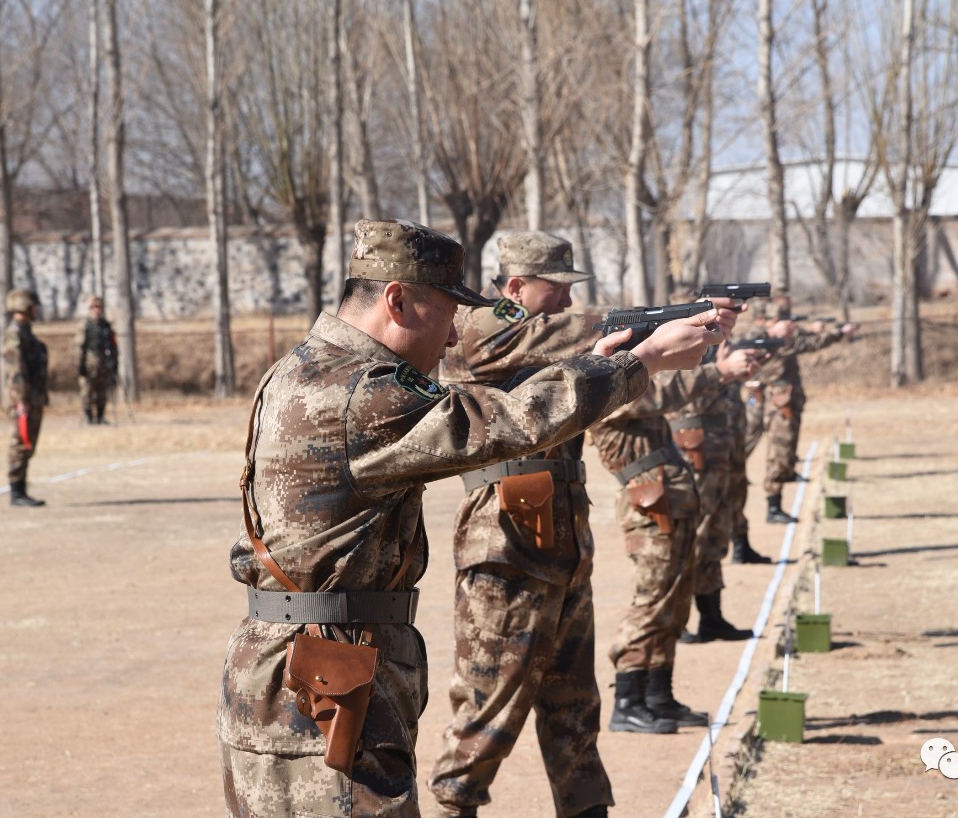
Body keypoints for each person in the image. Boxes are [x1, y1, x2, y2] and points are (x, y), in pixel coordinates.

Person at [217, 218, 732, 818]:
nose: (456, 331)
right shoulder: (364, 389)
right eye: (447, 311)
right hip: (321, 678)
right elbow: (501, 423)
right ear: (398, 299)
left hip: (300, 671)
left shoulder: (308, 367)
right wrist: (636, 364)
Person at [429, 230, 612, 818]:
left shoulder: (547, 343)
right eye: (555, 290)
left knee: (575, 711)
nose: (565, 304)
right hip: (505, 547)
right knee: (487, 710)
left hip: (562, 545)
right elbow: (521, 343)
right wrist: (624, 325)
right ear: (514, 287)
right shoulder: (482, 326)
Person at [587, 298, 749, 736]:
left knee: (674, 605)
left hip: (669, 503)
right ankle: (628, 700)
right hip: (649, 507)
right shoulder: (607, 385)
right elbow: (662, 393)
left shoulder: (631, 383)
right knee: (651, 603)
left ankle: (658, 696)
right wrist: (717, 370)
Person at [668, 339, 764, 643]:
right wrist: (718, 369)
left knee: (714, 535)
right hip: (697, 452)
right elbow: (686, 396)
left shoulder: (716, 346)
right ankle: (677, 620)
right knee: (694, 536)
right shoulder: (684, 346)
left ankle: (712, 618)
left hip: (719, 451)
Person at [755, 295, 857, 525]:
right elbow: (807, 344)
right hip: (778, 403)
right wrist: (837, 334)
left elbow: (803, 339)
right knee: (778, 454)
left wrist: (818, 330)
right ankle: (773, 507)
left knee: (785, 450)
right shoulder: (770, 341)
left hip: (786, 401)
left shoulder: (777, 339)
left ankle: (776, 503)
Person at [3, 288, 49, 507]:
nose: (36, 310)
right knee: (21, 443)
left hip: (33, 397)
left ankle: (21, 489)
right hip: (23, 399)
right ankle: (17, 492)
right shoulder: (15, 334)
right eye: (33, 307)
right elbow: (16, 370)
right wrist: (22, 400)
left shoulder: (26, 331)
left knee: (28, 443)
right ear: (23, 307)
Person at [76, 295, 118, 424]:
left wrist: (114, 361)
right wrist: (80, 364)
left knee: (102, 390)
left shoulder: (106, 325)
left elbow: (112, 344)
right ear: (90, 309)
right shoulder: (85, 325)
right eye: (94, 307)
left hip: (104, 362)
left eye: (99, 307)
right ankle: (89, 416)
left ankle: (100, 416)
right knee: (87, 391)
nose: (97, 310)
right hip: (89, 361)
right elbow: (80, 346)